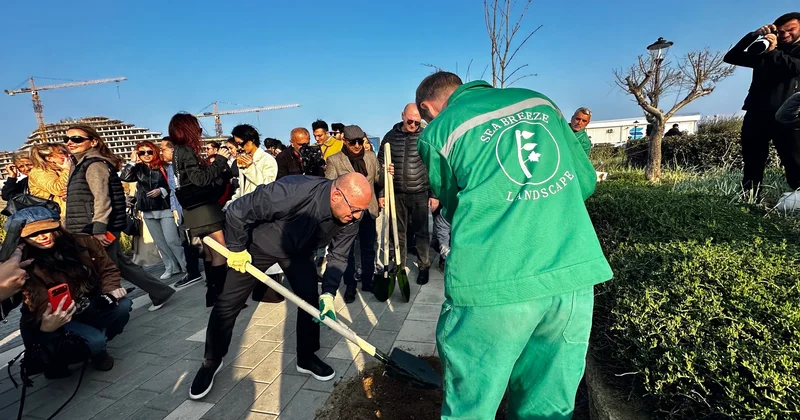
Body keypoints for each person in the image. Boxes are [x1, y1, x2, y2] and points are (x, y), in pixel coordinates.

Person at [415, 71, 613, 419]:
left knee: (471, 406)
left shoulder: (440, 131)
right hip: (569, 276)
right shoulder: (540, 102)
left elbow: (453, 203)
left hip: (492, 282)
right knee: (547, 405)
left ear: (428, 108)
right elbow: (584, 183)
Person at [188, 173, 370, 399]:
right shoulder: (292, 191)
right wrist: (237, 249)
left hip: (300, 253)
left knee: (310, 301)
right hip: (259, 247)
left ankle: (306, 357)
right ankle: (212, 360)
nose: (357, 217)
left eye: (361, 211)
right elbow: (238, 210)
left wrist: (329, 293)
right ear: (336, 196)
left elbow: (339, 255)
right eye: (354, 210)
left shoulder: (353, 216)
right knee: (227, 303)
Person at [4, 206, 132, 377]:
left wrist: (111, 290)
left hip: (89, 304)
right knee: (92, 341)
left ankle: (96, 349)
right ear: (22, 239)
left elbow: (107, 269)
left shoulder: (83, 242)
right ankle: (61, 359)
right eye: (32, 234)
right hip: (54, 316)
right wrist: (47, 325)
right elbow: (34, 299)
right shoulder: (23, 263)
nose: (42, 237)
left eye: (46, 230)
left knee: (122, 306)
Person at [63, 124, 175, 312]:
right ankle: (160, 292)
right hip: (90, 225)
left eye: (77, 139)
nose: (70, 142)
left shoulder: (94, 164)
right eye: (66, 139)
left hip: (95, 227)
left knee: (104, 269)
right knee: (120, 265)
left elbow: (102, 198)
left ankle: (111, 311)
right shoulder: (80, 163)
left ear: (93, 142)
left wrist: (99, 228)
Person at [723, 12, 800, 200]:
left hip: (787, 114)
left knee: (794, 159)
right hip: (756, 111)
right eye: (780, 31)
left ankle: (798, 198)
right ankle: (749, 199)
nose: (785, 35)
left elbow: (794, 67)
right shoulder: (765, 49)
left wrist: (773, 52)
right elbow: (731, 57)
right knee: (752, 160)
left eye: (790, 30)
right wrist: (754, 36)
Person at [169, 113, 232, 307]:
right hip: (204, 209)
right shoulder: (186, 151)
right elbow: (201, 180)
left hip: (192, 210)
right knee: (220, 251)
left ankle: (212, 295)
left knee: (209, 253)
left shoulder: (177, 151)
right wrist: (220, 160)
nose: (200, 130)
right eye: (196, 127)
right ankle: (223, 298)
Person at [377, 104, 437, 285]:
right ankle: (399, 265)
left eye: (417, 122)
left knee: (422, 232)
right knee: (398, 232)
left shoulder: (425, 136)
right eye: (410, 121)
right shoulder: (390, 137)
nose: (413, 125)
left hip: (419, 191)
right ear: (403, 115)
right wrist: (382, 192)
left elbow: (434, 166)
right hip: (396, 193)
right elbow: (381, 164)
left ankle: (424, 266)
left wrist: (434, 194)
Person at [325, 125, 380, 303]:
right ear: (344, 141)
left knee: (368, 247)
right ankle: (350, 286)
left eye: (360, 141)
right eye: (352, 142)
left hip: (368, 210)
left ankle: (368, 280)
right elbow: (329, 187)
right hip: (347, 213)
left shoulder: (371, 157)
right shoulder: (334, 160)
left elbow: (378, 180)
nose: (357, 146)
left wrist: (388, 174)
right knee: (346, 251)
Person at [120, 141, 187, 279]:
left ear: (155, 152)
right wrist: (132, 161)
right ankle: (171, 267)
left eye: (149, 152)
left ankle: (185, 265)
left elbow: (174, 185)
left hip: (165, 207)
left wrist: (161, 190)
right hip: (147, 209)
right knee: (160, 242)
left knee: (172, 240)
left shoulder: (164, 166)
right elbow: (125, 177)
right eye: (142, 152)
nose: (146, 155)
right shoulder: (137, 168)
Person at [160, 138, 204, 288]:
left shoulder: (185, 164)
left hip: (193, 208)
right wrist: (174, 209)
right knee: (186, 242)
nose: (161, 153)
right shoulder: (170, 168)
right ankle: (192, 271)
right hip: (180, 210)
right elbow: (173, 191)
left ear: (172, 150)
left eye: (163, 149)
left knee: (200, 241)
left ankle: (207, 271)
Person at [228, 124, 278, 201]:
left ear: (252, 140)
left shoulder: (267, 159)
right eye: (237, 144)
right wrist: (232, 203)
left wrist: (251, 167)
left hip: (261, 204)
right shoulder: (243, 159)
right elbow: (242, 187)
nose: (239, 147)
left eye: (241, 143)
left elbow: (268, 185)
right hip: (245, 204)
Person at [28, 143, 72, 219]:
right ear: (49, 158)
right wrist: (67, 170)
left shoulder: (60, 169)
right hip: (59, 215)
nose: (67, 155)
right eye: (62, 153)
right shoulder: (39, 172)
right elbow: (58, 189)